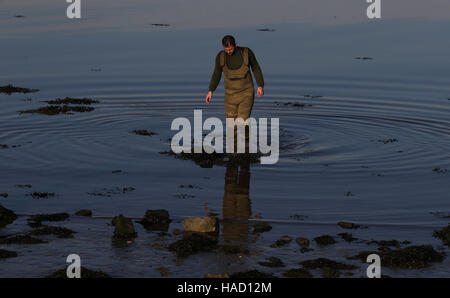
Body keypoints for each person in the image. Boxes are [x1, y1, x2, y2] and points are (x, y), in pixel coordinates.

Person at [205, 35, 264, 152]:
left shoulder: (246, 53)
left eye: (230, 49)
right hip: (230, 96)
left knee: (241, 121)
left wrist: (260, 85)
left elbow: (256, 67)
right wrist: (211, 90)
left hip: (246, 93)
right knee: (231, 127)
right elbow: (216, 73)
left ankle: (244, 145)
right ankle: (236, 150)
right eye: (226, 50)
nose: (228, 52)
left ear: (235, 45)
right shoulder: (221, 57)